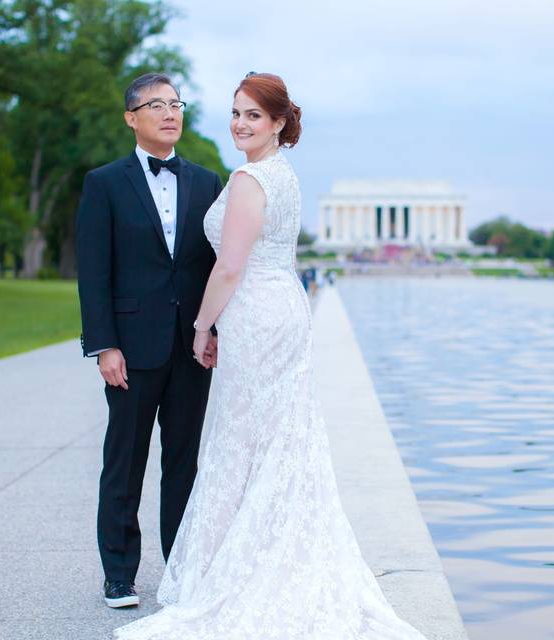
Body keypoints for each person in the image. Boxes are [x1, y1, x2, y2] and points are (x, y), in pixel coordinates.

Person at [113, 73, 426, 639]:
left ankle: (242, 569)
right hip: (282, 306)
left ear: (279, 122)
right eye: (235, 113)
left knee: (243, 440)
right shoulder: (285, 176)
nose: (239, 124)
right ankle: (272, 550)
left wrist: (201, 327)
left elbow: (230, 266)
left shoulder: (250, 178)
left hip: (255, 312)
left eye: (253, 115)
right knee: (279, 438)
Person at [76, 73, 223, 609]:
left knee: (184, 463)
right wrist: (103, 344)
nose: (169, 113)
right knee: (125, 460)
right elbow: (93, 273)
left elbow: (216, 267)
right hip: (130, 349)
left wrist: (213, 331)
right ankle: (119, 574)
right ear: (131, 118)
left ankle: (182, 569)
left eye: (176, 104)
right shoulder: (105, 183)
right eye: (156, 105)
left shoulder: (209, 182)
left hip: (190, 349)